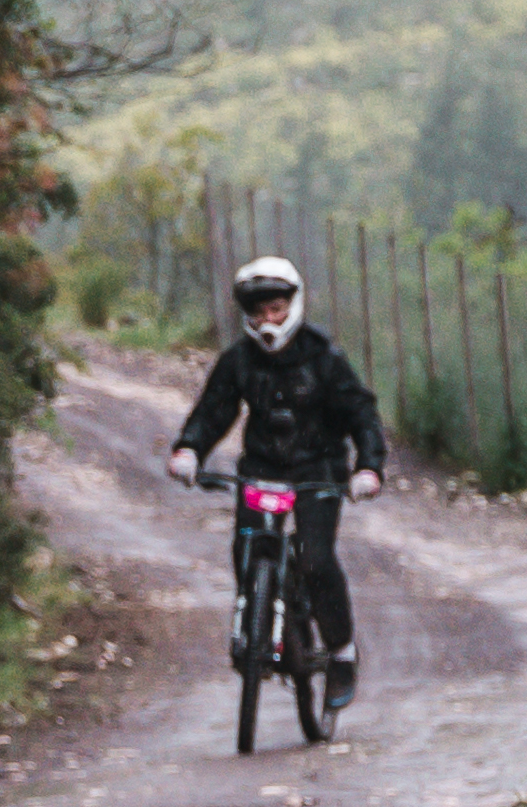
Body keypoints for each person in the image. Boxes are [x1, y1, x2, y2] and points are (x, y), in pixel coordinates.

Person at [164, 256, 387, 712]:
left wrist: (369, 468)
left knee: (316, 559)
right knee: (246, 553)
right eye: (259, 311)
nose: (268, 320)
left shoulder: (325, 357)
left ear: (294, 305)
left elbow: (361, 413)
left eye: (277, 309)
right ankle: (255, 625)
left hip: (318, 472)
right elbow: (214, 410)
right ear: (246, 314)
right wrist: (189, 450)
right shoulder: (238, 361)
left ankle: (341, 653)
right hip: (262, 468)